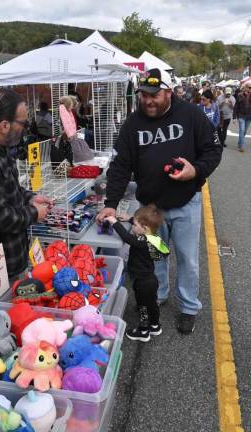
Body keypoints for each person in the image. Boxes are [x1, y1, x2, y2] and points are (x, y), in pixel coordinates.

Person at [97, 68, 222, 334]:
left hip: (186, 201)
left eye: (154, 95)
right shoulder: (133, 123)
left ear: (168, 92)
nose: (148, 101)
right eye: (144, 95)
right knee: (155, 255)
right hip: (151, 207)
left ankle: (188, 307)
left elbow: (213, 149)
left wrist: (196, 171)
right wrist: (111, 201)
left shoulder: (191, 115)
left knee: (188, 259)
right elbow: (121, 165)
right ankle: (160, 295)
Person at [0, 88, 52, 283]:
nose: (25, 128)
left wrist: (30, 197)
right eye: (23, 123)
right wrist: (34, 213)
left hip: (13, 260)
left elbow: (8, 189)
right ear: (4, 125)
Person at [105, 204, 169, 342]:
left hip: (142, 282)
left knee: (143, 306)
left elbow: (127, 238)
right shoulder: (154, 237)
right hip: (151, 279)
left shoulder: (141, 241)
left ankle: (143, 331)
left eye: (134, 224)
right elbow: (164, 251)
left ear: (144, 228)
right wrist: (130, 219)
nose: (133, 227)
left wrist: (114, 222)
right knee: (152, 303)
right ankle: (155, 326)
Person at [233, 82, 251, 152]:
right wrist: (234, 117)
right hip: (241, 115)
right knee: (242, 130)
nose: (250, 89)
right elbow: (236, 106)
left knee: (244, 132)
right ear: (245, 88)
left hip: (249, 117)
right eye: (249, 87)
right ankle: (242, 146)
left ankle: (240, 142)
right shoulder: (240, 95)